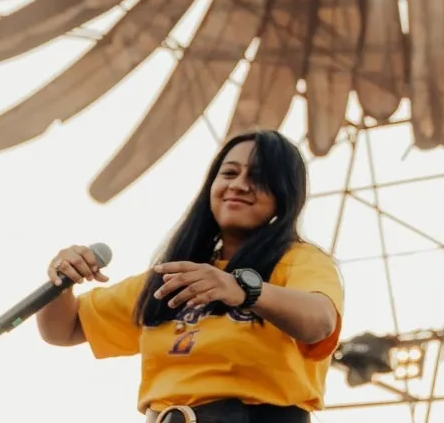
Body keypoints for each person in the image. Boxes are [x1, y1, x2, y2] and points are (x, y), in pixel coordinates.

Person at [36, 130, 345, 423]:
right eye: (229, 173)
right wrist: (62, 283)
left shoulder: (299, 261)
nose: (238, 184)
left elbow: (320, 322)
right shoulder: (176, 275)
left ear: (285, 192)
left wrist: (244, 290)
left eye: (258, 177)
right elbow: (64, 329)